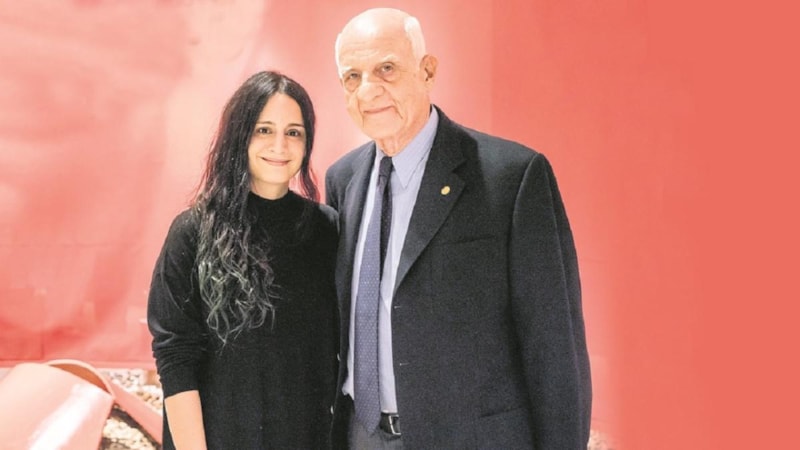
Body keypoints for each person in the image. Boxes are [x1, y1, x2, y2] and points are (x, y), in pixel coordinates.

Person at [325, 8, 591, 449]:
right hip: (361, 436)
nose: (368, 90)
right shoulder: (343, 179)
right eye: (352, 77)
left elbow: (554, 347)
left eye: (386, 68)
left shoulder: (512, 177)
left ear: (427, 71)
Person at [147, 71, 338, 449]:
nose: (280, 145)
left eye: (294, 132)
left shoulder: (326, 230)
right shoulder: (193, 231)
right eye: (264, 130)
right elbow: (175, 357)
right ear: (239, 135)